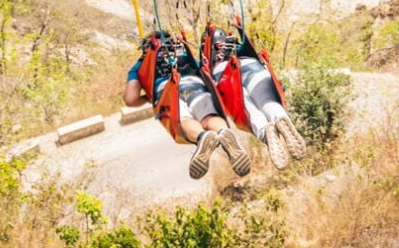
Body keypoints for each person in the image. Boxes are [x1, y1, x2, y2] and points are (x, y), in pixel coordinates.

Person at [123, 31, 250, 179]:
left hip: (168, 90)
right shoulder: (181, 52)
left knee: (183, 120)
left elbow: (130, 99)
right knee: (208, 116)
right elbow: (201, 69)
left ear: (146, 49)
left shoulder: (140, 65)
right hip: (196, 84)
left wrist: (147, 98)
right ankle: (223, 131)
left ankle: (202, 136)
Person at [208, 27, 306, 170]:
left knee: (248, 109)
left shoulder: (210, 61)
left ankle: (264, 131)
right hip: (251, 64)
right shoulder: (242, 49)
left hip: (224, 74)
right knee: (267, 100)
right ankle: (279, 117)